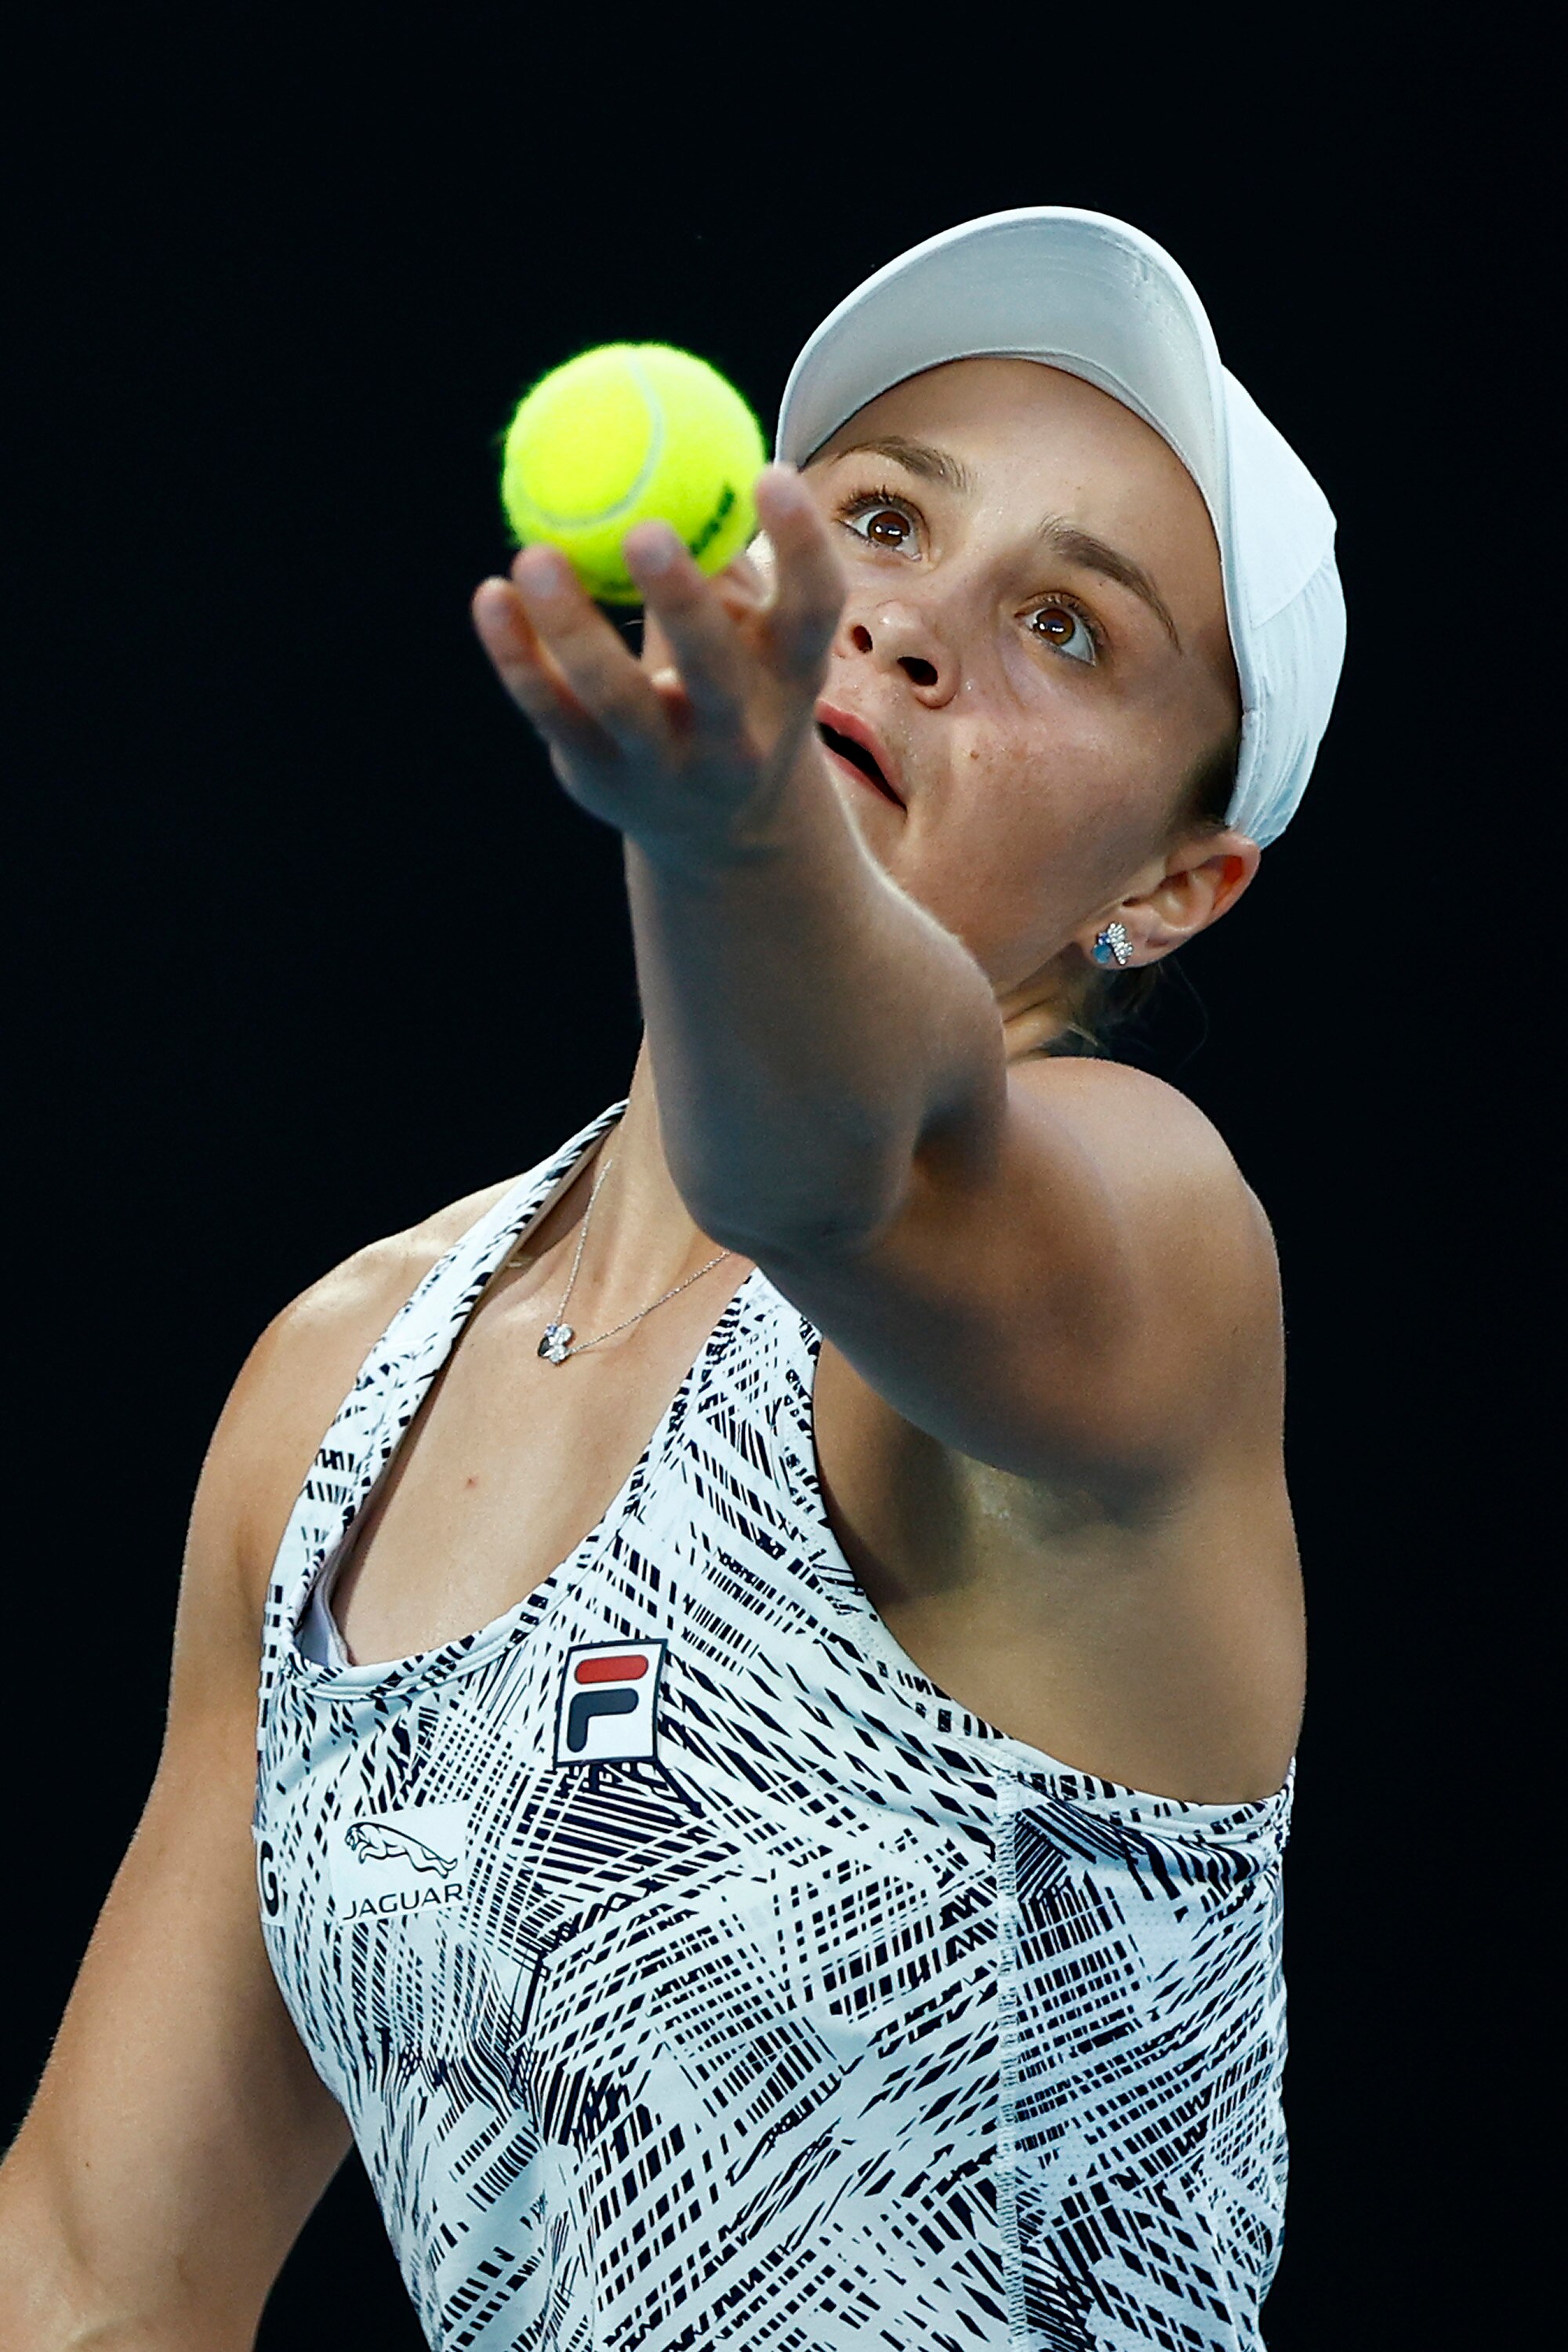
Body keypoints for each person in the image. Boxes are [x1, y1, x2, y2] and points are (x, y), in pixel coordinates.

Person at [0, 208, 1345, 2352]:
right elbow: (99, 2273)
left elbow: (835, 1175)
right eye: (883, 521)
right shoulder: (340, 1381)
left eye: (1067, 628)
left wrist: (732, 845)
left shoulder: (1148, 1240)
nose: (910, 627)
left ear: (1178, 887)